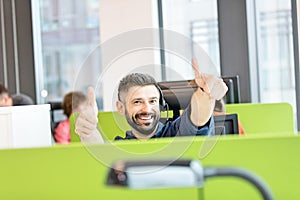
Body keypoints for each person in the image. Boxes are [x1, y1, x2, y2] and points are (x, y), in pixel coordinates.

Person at [75, 58, 228, 143]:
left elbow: (198, 117)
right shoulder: (121, 146)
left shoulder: (176, 133)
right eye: (137, 102)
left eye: (153, 101)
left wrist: (206, 94)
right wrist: (88, 132)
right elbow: (100, 164)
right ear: (120, 108)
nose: (147, 109)